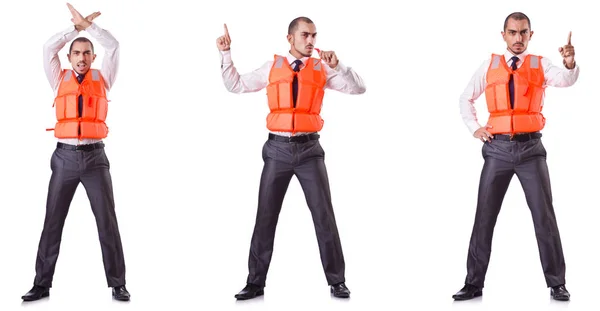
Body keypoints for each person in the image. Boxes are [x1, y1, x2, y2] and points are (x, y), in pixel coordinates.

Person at [216, 16, 366, 300]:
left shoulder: (323, 68)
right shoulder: (271, 67)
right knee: (266, 216)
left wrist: (339, 66)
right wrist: (226, 54)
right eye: (306, 35)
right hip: (277, 150)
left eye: (314, 36)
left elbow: (359, 88)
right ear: (290, 39)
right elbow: (235, 85)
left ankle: (337, 281)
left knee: (324, 216)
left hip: (310, 151)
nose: (311, 41)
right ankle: (255, 282)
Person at [453, 12, 578, 301]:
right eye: (513, 32)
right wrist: (475, 128)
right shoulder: (489, 66)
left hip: (531, 151)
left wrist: (570, 63)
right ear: (504, 35)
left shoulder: (541, 64)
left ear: (530, 35)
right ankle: (473, 283)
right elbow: (465, 98)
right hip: (497, 149)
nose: (518, 38)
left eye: (523, 32)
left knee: (544, 216)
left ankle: (557, 283)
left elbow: (565, 79)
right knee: (484, 216)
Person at [21, 3, 130, 302]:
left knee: (107, 220)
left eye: (86, 53)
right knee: (52, 221)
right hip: (65, 158)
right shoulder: (58, 78)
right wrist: (76, 28)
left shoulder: (104, 77)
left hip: (96, 159)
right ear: (68, 58)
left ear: (93, 58)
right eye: (76, 53)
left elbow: (114, 45)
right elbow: (47, 47)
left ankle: (117, 283)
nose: (82, 58)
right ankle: (41, 284)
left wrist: (90, 27)